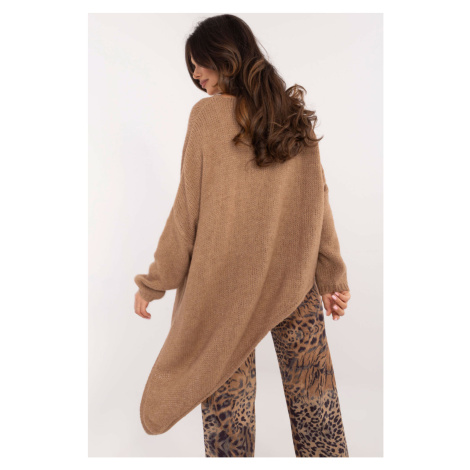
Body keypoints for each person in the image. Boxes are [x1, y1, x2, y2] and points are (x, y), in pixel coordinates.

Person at [133, 14, 351, 457]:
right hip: (293, 283)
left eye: (199, 62)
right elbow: (319, 203)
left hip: (223, 292)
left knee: (228, 419)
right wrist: (333, 278)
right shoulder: (292, 117)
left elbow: (186, 213)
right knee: (317, 406)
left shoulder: (207, 118)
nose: (195, 73)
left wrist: (154, 283)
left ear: (225, 56)